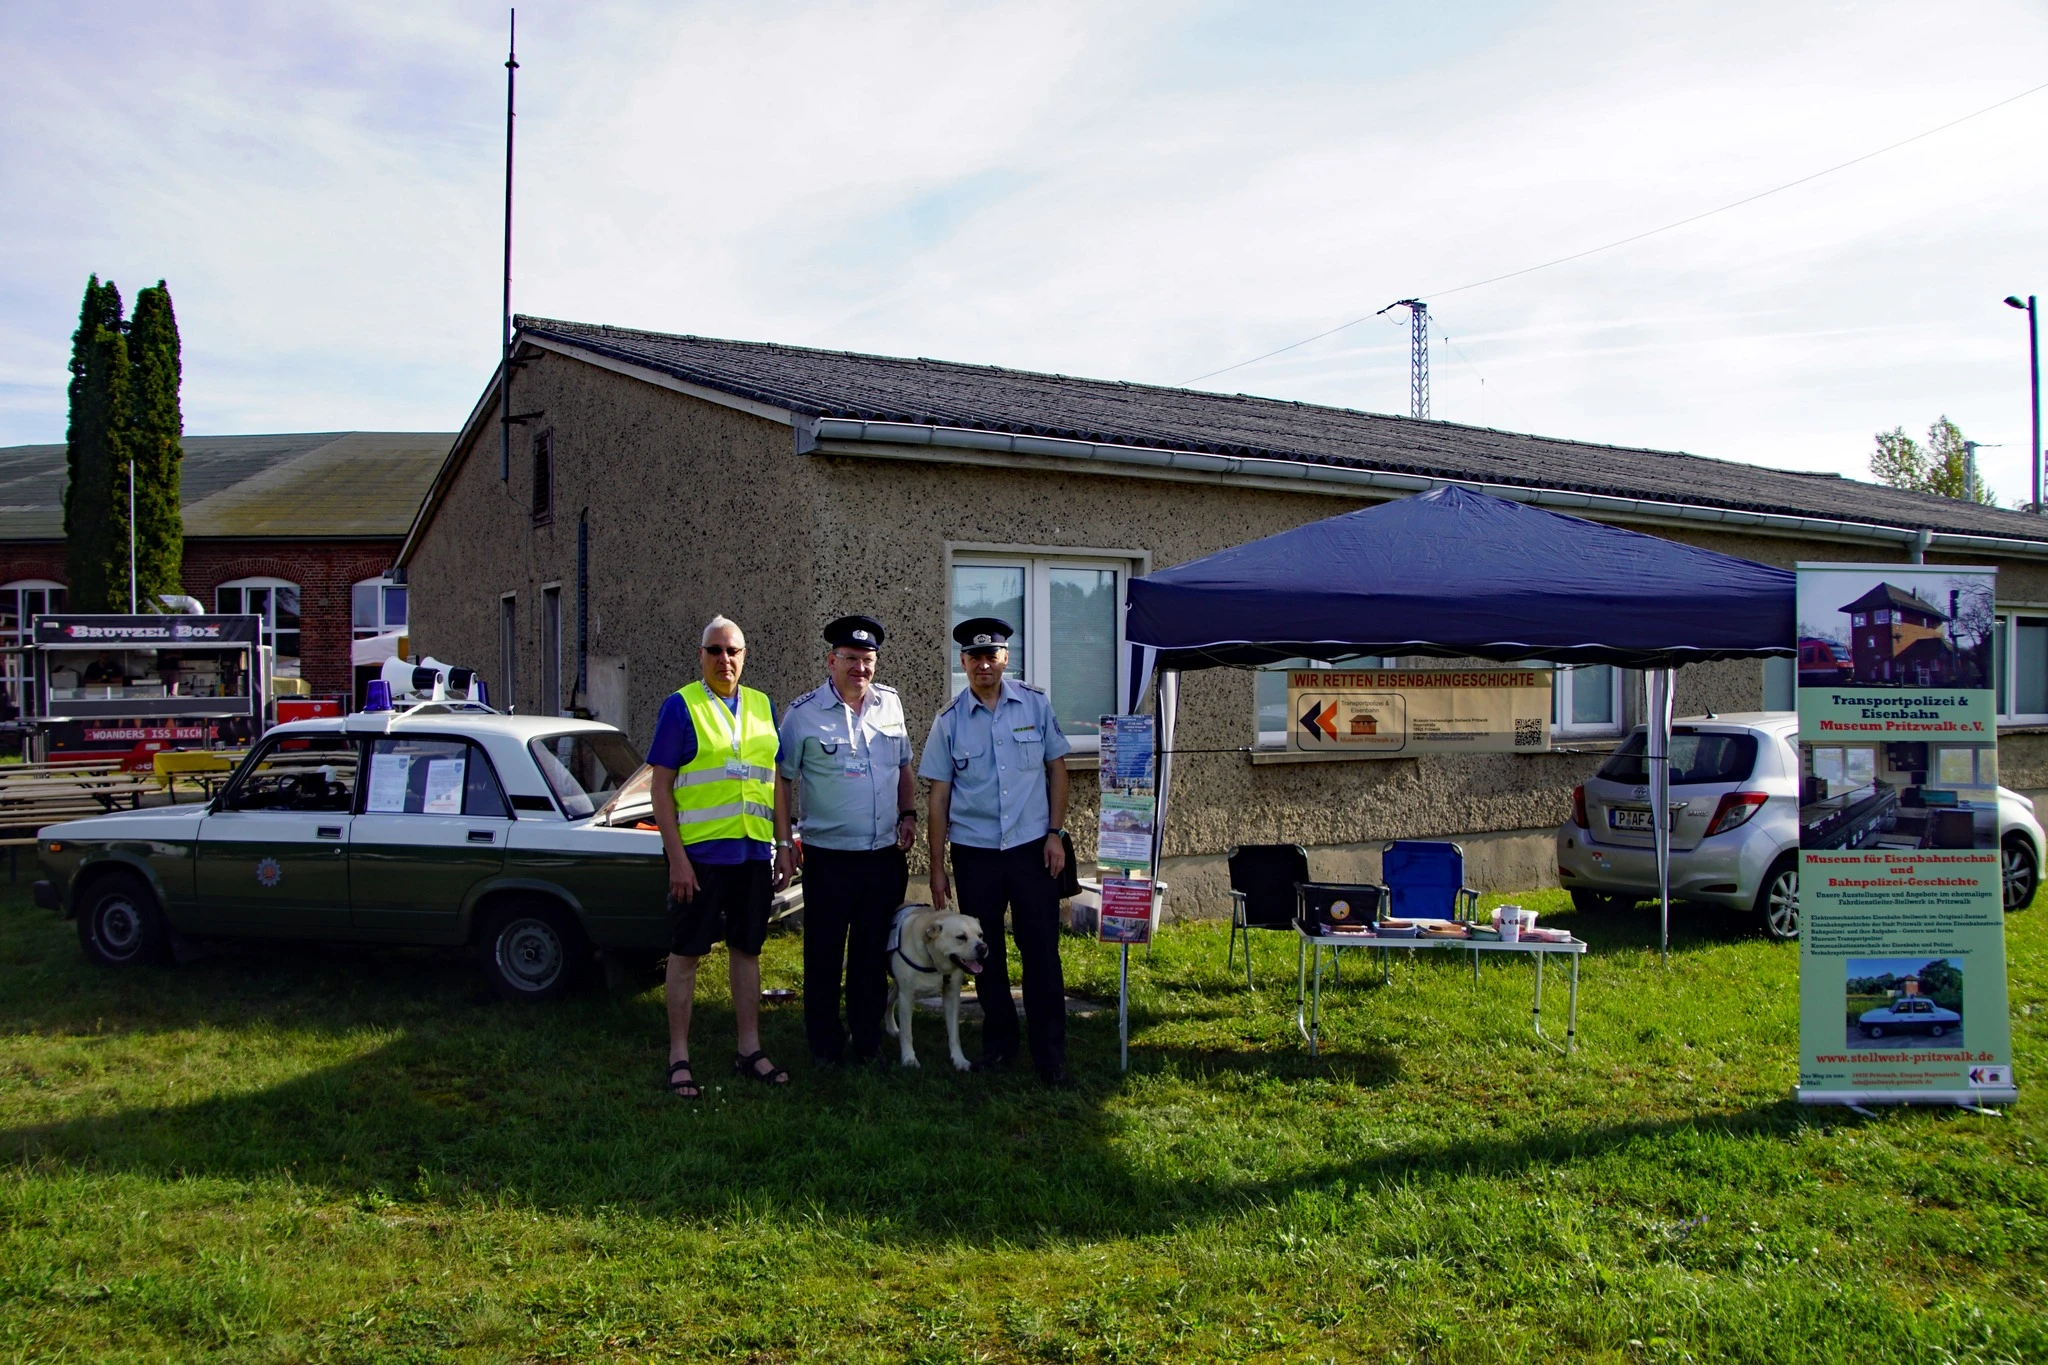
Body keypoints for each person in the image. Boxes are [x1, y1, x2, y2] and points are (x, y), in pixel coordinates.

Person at [920, 616, 1073, 1086]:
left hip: (1032, 850)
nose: (983, 664)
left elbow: (1058, 770)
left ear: (1006, 658)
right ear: (962, 662)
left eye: (992, 655)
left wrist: (1054, 833)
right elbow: (939, 798)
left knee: (1041, 950)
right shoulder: (949, 721)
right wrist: (937, 868)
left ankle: (1050, 1056)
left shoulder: (1035, 704)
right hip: (976, 854)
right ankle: (1001, 1045)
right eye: (974, 657)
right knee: (984, 955)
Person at [649, 615, 788, 1099]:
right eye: (715, 650)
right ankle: (679, 1056)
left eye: (733, 651)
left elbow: (776, 781)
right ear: (701, 655)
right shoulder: (680, 706)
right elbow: (660, 789)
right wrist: (677, 859)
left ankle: (749, 1048)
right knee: (687, 953)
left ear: (745, 656)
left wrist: (783, 844)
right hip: (700, 857)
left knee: (747, 950)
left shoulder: (762, 705)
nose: (724, 659)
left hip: (752, 852)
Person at [773, 615, 916, 1066]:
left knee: (871, 954)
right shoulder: (803, 714)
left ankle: (868, 1041)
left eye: (868, 659)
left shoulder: (890, 704)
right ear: (830, 660)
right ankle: (825, 1046)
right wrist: (783, 843)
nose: (860, 668)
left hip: (882, 855)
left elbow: (904, 765)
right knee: (824, 953)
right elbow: (782, 779)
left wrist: (909, 813)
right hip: (829, 858)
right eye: (850, 658)